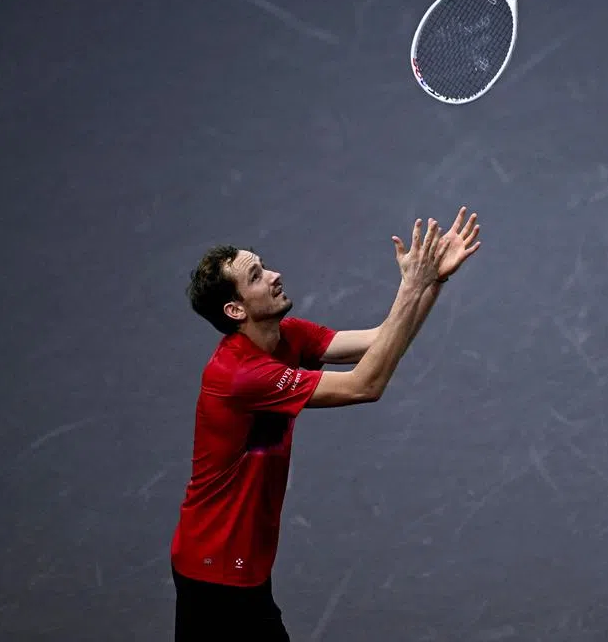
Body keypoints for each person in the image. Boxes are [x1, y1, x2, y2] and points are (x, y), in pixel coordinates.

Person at [168, 208, 481, 641]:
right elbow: (364, 384)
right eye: (257, 275)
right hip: (217, 573)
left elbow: (382, 339)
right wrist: (413, 285)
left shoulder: (288, 335)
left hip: (241, 563)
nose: (275, 274)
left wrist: (431, 281)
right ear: (235, 309)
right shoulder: (240, 376)